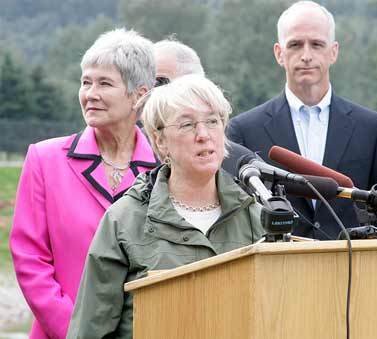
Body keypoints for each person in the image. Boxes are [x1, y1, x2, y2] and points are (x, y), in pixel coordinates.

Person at [67, 74, 264, 338]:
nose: (204, 135)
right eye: (187, 124)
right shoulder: (125, 220)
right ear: (160, 141)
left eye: (212, 121)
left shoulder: (256, 216)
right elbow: (90, 330)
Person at [9, 28, 158, 339]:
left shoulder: (163, 168)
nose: (90, 93)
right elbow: (29, 256)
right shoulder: (45, 159)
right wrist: (76, 331)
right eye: (86, 82)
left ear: (139, 94)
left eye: (104, 83)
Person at [227, 1, 377, 240]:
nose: (306, 55)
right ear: (279, 53)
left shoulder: (372, 127)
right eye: (295, 45)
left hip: (352, 270)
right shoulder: (243, 130)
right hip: (277, 270)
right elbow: (235, 219)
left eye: (317, 44)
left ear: (333, 52)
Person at [153, 37, 256, 177]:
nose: (147, 93)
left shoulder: (243, 165)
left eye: (159, 84)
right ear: (159, 141)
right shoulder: (126, 156)